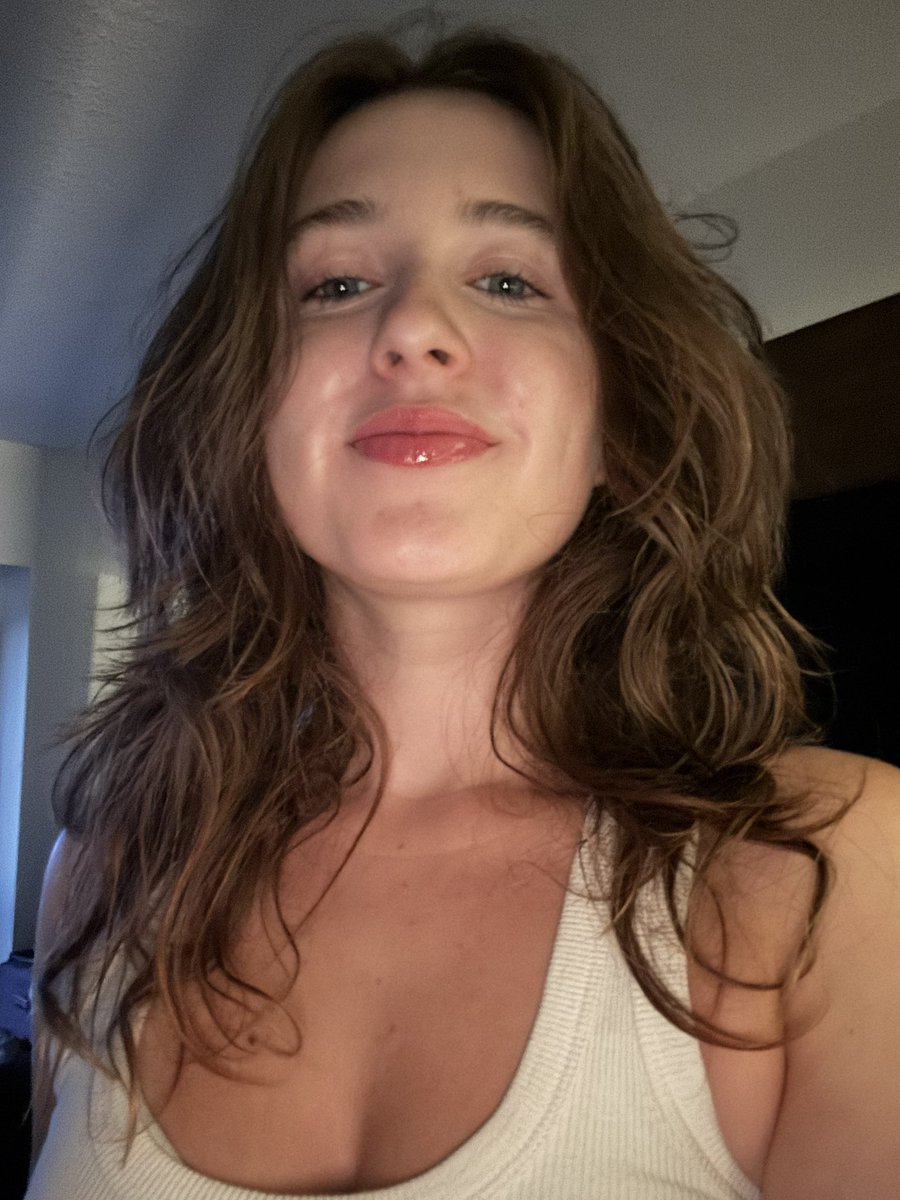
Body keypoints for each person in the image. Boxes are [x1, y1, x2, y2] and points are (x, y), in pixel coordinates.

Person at [26, 27, 900, 1200]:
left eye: (510, 281)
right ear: (245, 412)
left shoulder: (832, 873)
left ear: (619, 418)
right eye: (336, 284)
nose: (412, 329)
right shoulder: (106, 873)